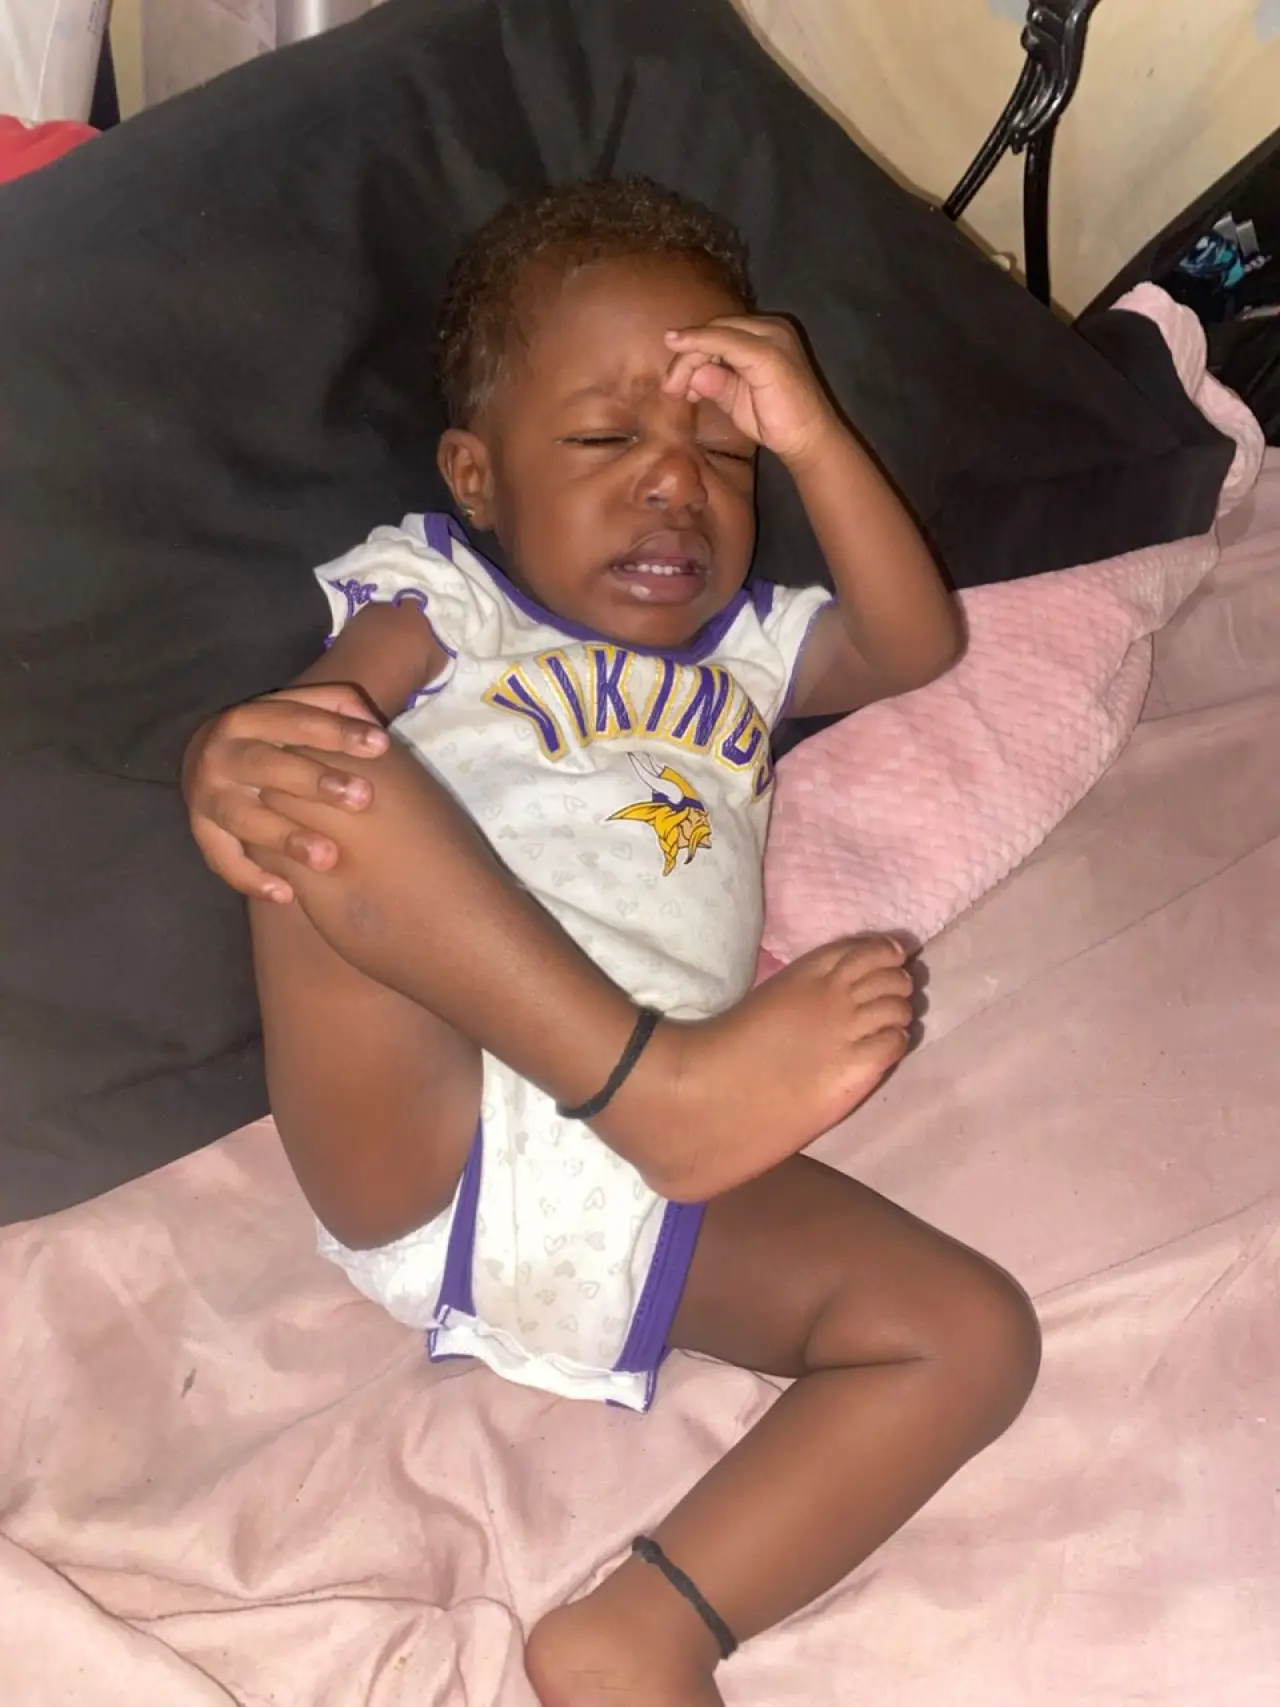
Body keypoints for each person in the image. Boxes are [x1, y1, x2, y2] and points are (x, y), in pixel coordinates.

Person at [183, 178, 1040, 1707]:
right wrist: (228, 760)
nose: (672, 483)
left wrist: (812, 433)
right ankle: (655, 1082)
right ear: (478, 474)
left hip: (647, 1193)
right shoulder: (450, 601)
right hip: (429, 1118)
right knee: (320, 775)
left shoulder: (753, 653)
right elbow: (310, 730)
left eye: (723, 451)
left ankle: (649, 1627)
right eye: (603, 439)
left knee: (972, 1335)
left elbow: (918, 643)